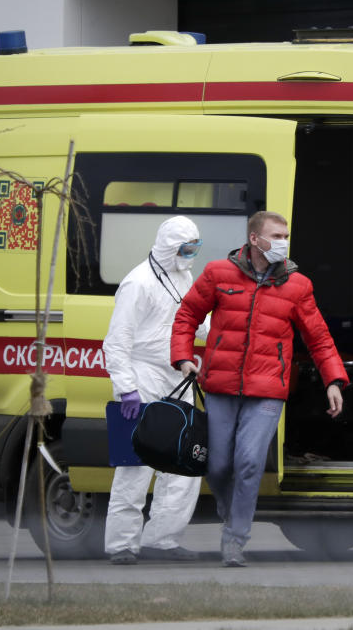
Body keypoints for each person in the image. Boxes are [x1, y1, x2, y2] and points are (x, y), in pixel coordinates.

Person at [170, 211, 348, 567]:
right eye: (276, 235)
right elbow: (187, 314)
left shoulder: (298, 285)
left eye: (286, 235)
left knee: (249, 462)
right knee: (218, 466)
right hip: (220, 386)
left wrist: (333, 379)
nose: (283, 241)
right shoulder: (218, 274)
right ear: (254, 239)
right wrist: (183, 357)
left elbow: (319, 337)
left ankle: (235, 539)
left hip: (267, 390)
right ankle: (229, 510)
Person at [103, 215, 210, 565]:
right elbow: (116, 342)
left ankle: (162, 540)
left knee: (183, 456)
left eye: (195, 247)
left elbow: (195, 320)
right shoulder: (138, 283)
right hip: (142, 374)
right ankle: (121, 545)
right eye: (186, 248)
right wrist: (126, 388)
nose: (191, 254)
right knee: (135, 462)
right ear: (169, 247)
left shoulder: (182, 274)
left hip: (177, 372)